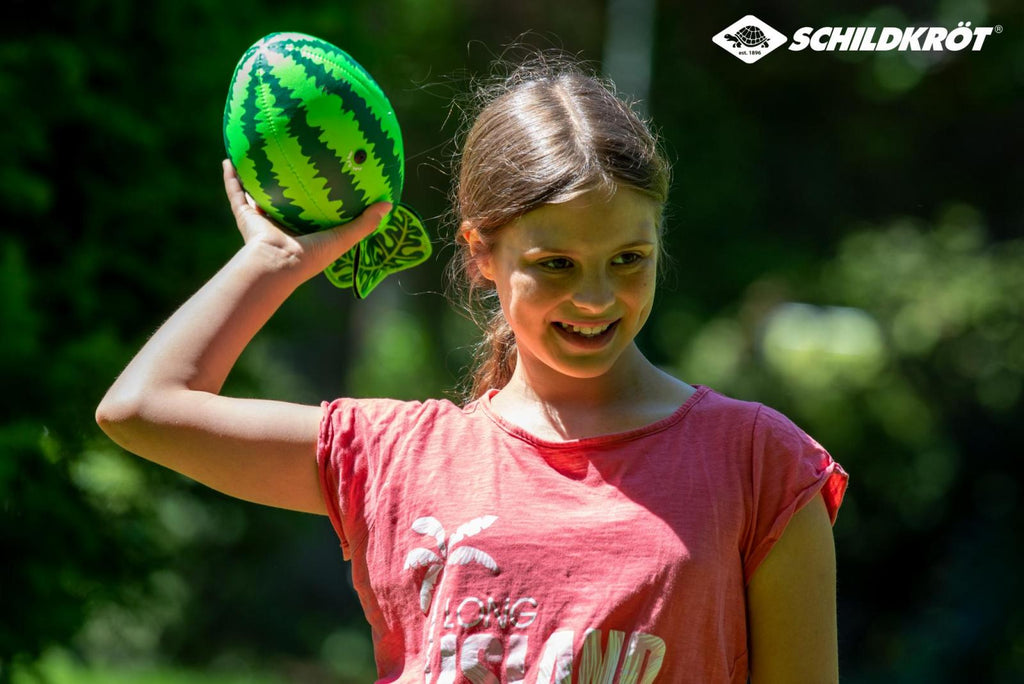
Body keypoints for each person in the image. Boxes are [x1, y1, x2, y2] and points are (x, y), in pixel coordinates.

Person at [97, 57, 848, 684]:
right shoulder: (396, 457)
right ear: (481, 254)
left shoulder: (761, 465)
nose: (594, 297)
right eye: (555, 264)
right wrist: (275, 260)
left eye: (628, 259)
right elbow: (140, 409)